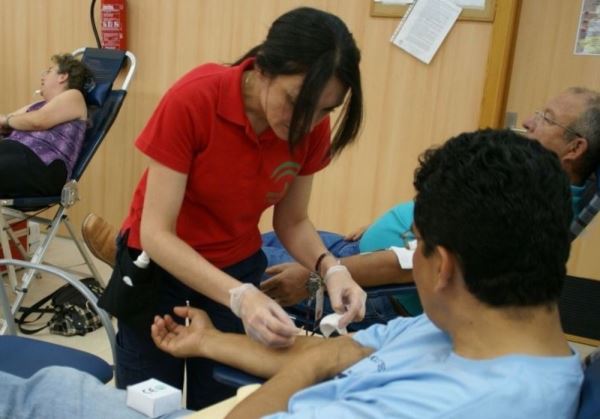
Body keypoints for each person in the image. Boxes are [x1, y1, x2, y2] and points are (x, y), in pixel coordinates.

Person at [84, 86, 600, 331]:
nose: (529, 121)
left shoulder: (528, 200)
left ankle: (139, 261)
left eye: (546, 118)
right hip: (358, 249)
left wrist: (317, 278)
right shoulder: (533, 180)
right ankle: (148, 253)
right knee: (254, 243)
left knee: (254, 259)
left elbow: (417, 258)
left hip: (378, 288)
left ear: (574, 148)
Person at [151, 129, 584, 419]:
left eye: (417, 245)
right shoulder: (463, 329)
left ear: (443, 267)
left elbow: (324, 357)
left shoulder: (447, 406)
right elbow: (333, 353)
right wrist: (207, 341)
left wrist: (317, 362)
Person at [104, 7, 367, 410]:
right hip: (158, 270)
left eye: (325, 111)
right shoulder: (195, 99)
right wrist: (240, 297)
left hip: (236, 265)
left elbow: (292, 221)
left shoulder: (310, 127)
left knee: (227, 401)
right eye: (296, 102)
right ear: (262, 69)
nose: (307, 123)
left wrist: (331, 269)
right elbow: (157, 233)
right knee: (151, 401)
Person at [0, 53, 93, 197]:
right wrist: (8, 122)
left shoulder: (74, 96)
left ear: (63, 76)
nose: (42, 77)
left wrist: (8, 121)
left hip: (43, 166)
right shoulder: (39, 105)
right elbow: (6, 121)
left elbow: (37, 121)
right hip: (16, 157)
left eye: (48, 72)